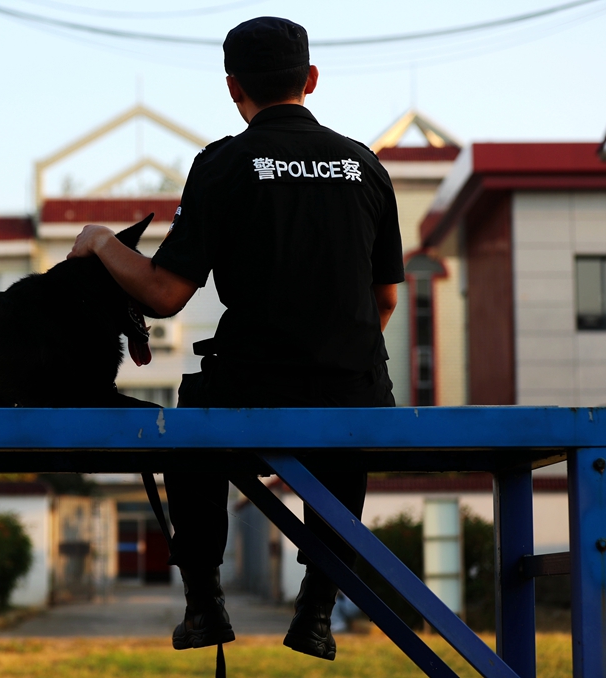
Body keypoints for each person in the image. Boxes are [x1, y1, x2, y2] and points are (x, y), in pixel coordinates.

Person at [67, 16, 403, 662]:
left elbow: (165, 294)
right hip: (354, 387)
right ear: (309, 79)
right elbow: (386, 298)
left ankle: (204, 602)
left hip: (254, 385)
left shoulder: (224, 164)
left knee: (193, 425)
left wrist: (104, 241)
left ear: (233, 88)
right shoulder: (367, 168)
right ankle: (318, 607)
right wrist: (333, 354)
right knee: (348, 417)